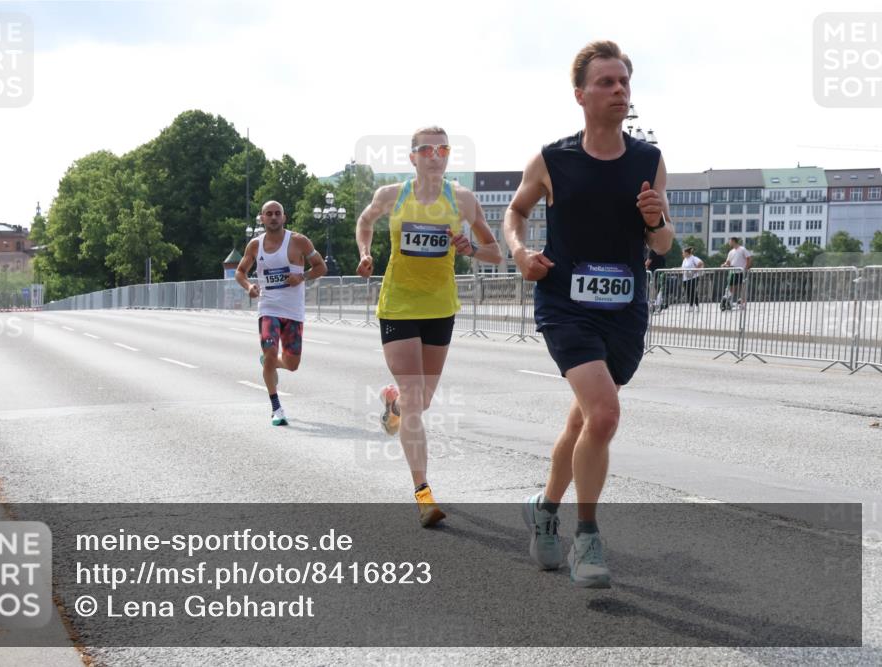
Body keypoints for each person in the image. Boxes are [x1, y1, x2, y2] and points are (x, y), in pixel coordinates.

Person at [504, 41, 673, 588]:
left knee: (583, 421)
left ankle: (544, 508)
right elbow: (516, 211)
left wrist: (655, 221)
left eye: (624, 81)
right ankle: (588, 538)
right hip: (565, 305)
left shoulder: (649, 161)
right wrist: (520, 252)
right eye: (606, 82)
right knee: (603, 415)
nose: (619, 90)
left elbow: (665, 243)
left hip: (625, 311)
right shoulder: (553, 160)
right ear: (580, 95)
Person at [356, 126, 501, 528]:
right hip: (399, 305)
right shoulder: (393, 196)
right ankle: (423, 492)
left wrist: (470, 248)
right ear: (413, 157)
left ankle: (394, 406)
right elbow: (364, 221)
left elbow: (495, 252)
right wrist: (365, 253)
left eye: (443, 148)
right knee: (416, 397)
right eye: (427, 149)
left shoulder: (463, 200)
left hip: (440, 307)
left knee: (420, 402)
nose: (436, 155)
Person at [235, 200, 327, 426]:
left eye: (278, 213)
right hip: (268, 308)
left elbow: (321, 267)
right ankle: (276, 407)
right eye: (269, 214)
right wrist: (249, 287)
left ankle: (273, 362)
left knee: (293, 364)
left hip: (293, 312)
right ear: (262, 218)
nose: (274, 217)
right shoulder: (255, 246)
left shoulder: (298, 241)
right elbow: (240, 272)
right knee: (269, 354)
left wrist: (302, 277)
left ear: (284, 217)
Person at [721, 237, 752, 309]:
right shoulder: (731, 252)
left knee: (742, 287)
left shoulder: (742, 249)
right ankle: (729, 302)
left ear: (734, 241)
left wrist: (746, 268)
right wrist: (724, 265)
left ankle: (742, 303)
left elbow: (749, 258)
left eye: (730, 241)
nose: (729, 243)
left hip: (741, 271)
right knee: (731, 287)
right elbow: (728, 262)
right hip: (733, 271)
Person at [645, 248, 667, 312]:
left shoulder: (652, 250)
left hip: (654, 272)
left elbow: (648, 261)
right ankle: (658, 304)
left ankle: (656, 305)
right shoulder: (660, 249)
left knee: (654, 288)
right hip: (660, 270)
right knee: (659, 288)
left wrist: (642, 267)